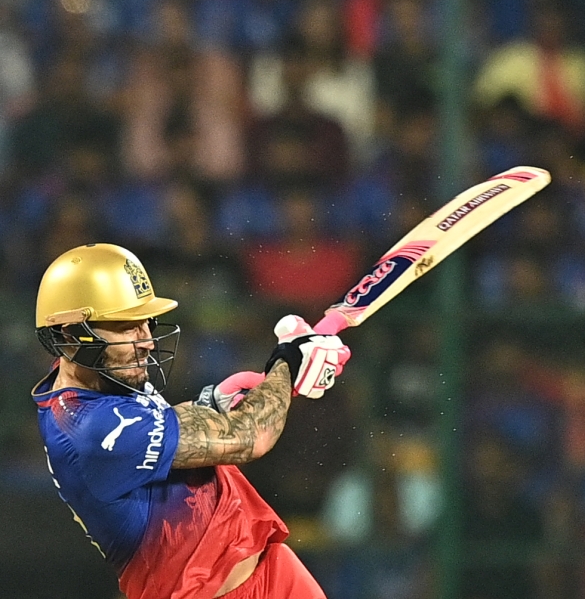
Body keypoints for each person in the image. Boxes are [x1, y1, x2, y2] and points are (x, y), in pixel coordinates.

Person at [30, 243, 352, 599]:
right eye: (126, 327)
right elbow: (252, 437)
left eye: (146, 323)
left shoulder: (97, 372)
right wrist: (288, 363)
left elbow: (154, 431)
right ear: (69, 335)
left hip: (269, 567)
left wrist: (209, 405)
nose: (147, 341)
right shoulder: (91, 429)